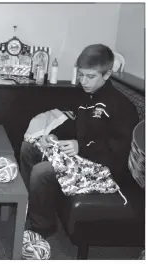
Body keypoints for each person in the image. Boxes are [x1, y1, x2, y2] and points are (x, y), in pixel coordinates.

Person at [19, 44, 138, 238]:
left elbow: (120, 149)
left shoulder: (122, 106)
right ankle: (27, 206)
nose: (84, 81)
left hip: (105, 169)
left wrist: (80, 146)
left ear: (107, 75)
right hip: (83, 156)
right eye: (81, 75)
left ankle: (41, 227)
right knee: (29, 148)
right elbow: (75, 123)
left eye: (90, 76)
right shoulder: (86, 96)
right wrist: (54, 135)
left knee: (43, 171)